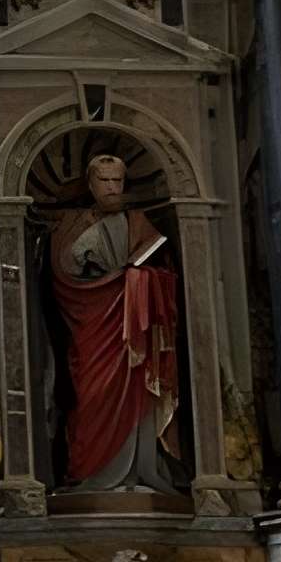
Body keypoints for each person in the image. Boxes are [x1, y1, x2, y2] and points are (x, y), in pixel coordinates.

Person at [48, 151, 181, 492]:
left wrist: (141, 281)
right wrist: (107, 282)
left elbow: (163, 271)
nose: (111, 187)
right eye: (104, 180)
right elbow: (61, 277)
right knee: (91, 397)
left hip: (132, 329)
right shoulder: (72, 225)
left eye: (117, 180)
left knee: (137, 391)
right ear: (90, 184)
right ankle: (88, 473)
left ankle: (140, 470)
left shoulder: (137, 221)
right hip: (92, 328)